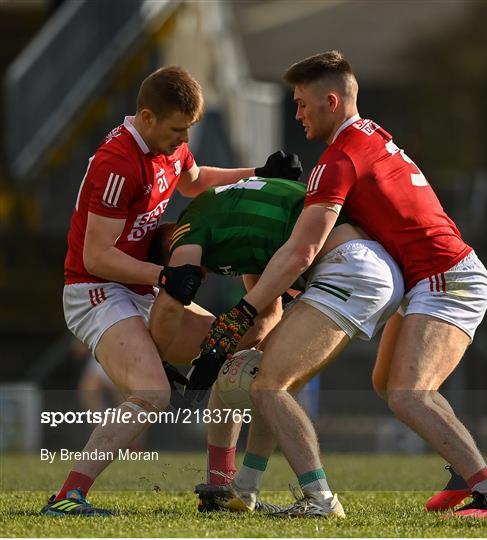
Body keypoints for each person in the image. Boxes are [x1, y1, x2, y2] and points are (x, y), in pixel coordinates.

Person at [192, 51, 487, 518]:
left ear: (331, 100)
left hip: (446, 279)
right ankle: (467, 472)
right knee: (388, 384)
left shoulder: (339, 158)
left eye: (303, 104)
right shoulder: (370, 135)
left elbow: (302, 251)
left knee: (407, 393)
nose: (297, 114)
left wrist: (237, 317)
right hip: (426, 279)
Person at [41, 65, 302, 517]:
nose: (183, 141)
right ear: (146, 117)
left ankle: (220, 489)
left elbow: (193, 179)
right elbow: (95, 257)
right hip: (96, 291)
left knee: (233, 348)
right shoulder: (117, 163)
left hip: (141, 286)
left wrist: (256, 172)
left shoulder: (168, 146)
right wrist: (163, 277)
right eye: (177, 130)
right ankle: (68, 497)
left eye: (188, 132)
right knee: (152, 394)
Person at [151, 176, 403, 518]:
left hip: (348, 269)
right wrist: (216, 354)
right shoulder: (228, 218)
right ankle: (237, 489)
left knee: (269, 385)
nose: (202, 279)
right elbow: (266, 316)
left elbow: (171, 302)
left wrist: (160, 362)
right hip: (361, 266)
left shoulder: (189, 233)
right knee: (256, 374)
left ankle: (321, 500)